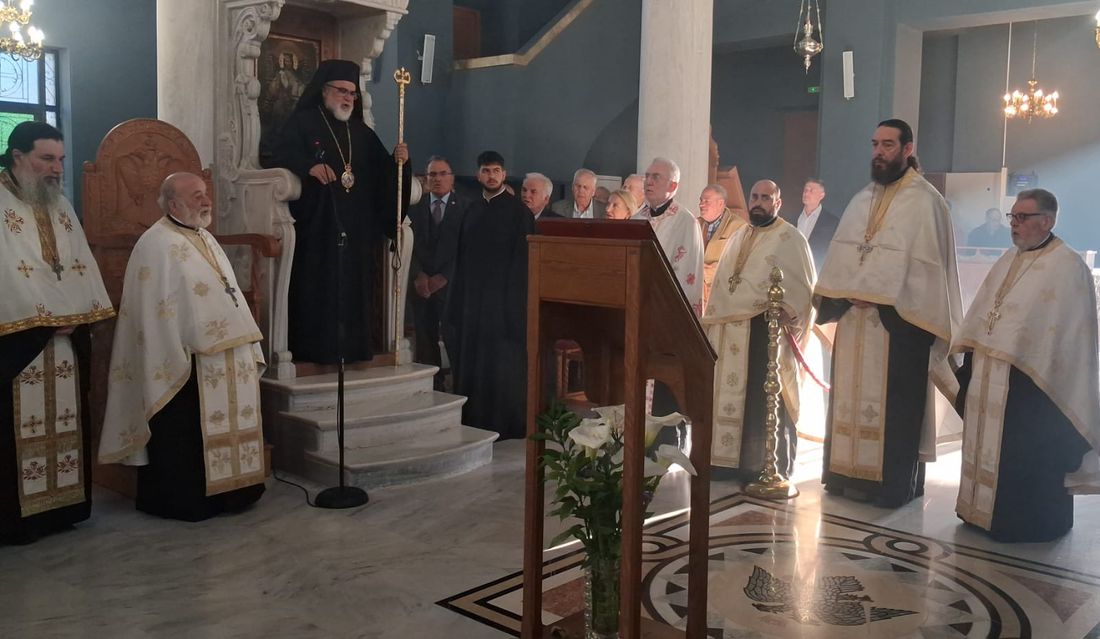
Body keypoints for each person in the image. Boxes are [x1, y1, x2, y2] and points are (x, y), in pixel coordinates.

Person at [99, 173, 266, 522]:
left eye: (205, 194)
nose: (206, 201)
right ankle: (190, 501)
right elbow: (153, 311)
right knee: (184, 431)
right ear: (174, 203)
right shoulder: (155, 243)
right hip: (184, 361)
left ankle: (235, 494)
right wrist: (179, 346)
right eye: (196, 196)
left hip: (224, 354)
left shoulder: (205, 236)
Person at [814, 118, 962, 508]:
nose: (879, 152)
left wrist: (882, 297)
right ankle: (843, 475)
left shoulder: (927, 201)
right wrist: (846, 294)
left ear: (908, 149)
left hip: (900, 327)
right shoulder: (862, 198)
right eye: (875, 144)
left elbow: (929, 273)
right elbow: (843, 257)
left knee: (896, 408)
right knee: (848, 401)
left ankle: (892, 485)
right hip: (854, 320)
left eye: (888, 145)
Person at [951, 189, 1099, 542]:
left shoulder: (1067, 266)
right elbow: (986, 314)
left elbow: (1070, 340)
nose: (1014, 224)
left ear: (1046, 221)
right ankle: (979, 513)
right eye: (1012, 217)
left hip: (1035, 388)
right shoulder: (1009, 259)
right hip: (992, 375)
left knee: (1023, 455)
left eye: (1022, 217)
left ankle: (1022, 523)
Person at [0, 122, 114, 544]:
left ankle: (62, 508)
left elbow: (78, 265)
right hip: (17, 343)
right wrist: (42, 320)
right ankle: (15, 520)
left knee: (66, 417)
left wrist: (77, 315)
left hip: (64, 338)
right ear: (17, 156)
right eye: (46, 158)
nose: (56, 168)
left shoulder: (61, 205)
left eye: (61, 159)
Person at [270, 58, 410, 364]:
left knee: (353, 288)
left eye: (352, 93)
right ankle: (316, 351)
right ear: (324, 91)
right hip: (317, 226)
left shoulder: (360, 132)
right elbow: (276, 153)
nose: (347, 98)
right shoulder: (303, 123)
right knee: (319, 287)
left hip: (356, 228)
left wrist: (400, 161)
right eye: (341, 91)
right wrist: (308, 166)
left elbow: (384, 173)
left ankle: (353, 350)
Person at [703, 180, 815, 481]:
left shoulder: (791, 239)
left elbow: (805, 291)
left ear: (778, 203)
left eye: (766, 197)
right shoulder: (738, 235)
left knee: (760, 400)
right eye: (754, 196)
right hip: (729, 335)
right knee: (727, 395)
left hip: (764, 335)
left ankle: (761, 465)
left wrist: (787, 311)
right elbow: (723, 287)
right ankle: (723, 461)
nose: (758, 202)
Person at [446, 151, 536, 440]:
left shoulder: (519, 213)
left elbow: (524, 264)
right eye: (486, 170)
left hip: (504, 305)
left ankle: (506, 424)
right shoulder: (470, 211)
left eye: (496, 170)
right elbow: (460, 259)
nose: (491, 176)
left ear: (504, 174)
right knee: (474, 362)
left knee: (502, 365)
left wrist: (515, 308)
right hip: (472, 305)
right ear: (478, 175)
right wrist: (456, 303)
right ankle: (475, 420)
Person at [408, 156, 467, 391]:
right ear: (425, 179)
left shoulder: (465, 208)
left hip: (451, 286)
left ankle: (460, 384)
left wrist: (444, 277)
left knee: (453, 335)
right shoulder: (414, 207)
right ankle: (432, 385)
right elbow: (407, 244)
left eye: (443, 174)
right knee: (424, 336)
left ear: (452, 178)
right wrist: (418, 275)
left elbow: (466, 248)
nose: (437, 179)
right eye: (432, 174)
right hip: (421, 284)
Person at [633, 157, 704, 314]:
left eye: (656, 177)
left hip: (666, 308)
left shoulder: (686, 222)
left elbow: (686, 274)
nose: (648, 182)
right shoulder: (636, 219)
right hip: (636, 301)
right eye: (647, 176)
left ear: (672, 186)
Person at [697, 183, 745, 311]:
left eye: (706, 201)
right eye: (700, 200)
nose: (701, 205)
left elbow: (739, 265)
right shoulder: (696, 224)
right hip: (696, 296)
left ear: (720, 203)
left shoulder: (739, 227)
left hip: (722, 298)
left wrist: (703, 271)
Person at [786, 178, 840, 270]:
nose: (806, 193)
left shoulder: (831, 222)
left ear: (821, 195)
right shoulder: (792, 217)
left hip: (815, 270)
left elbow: (833, 252)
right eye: (805, 190)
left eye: (811, 191)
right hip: (789, 267)